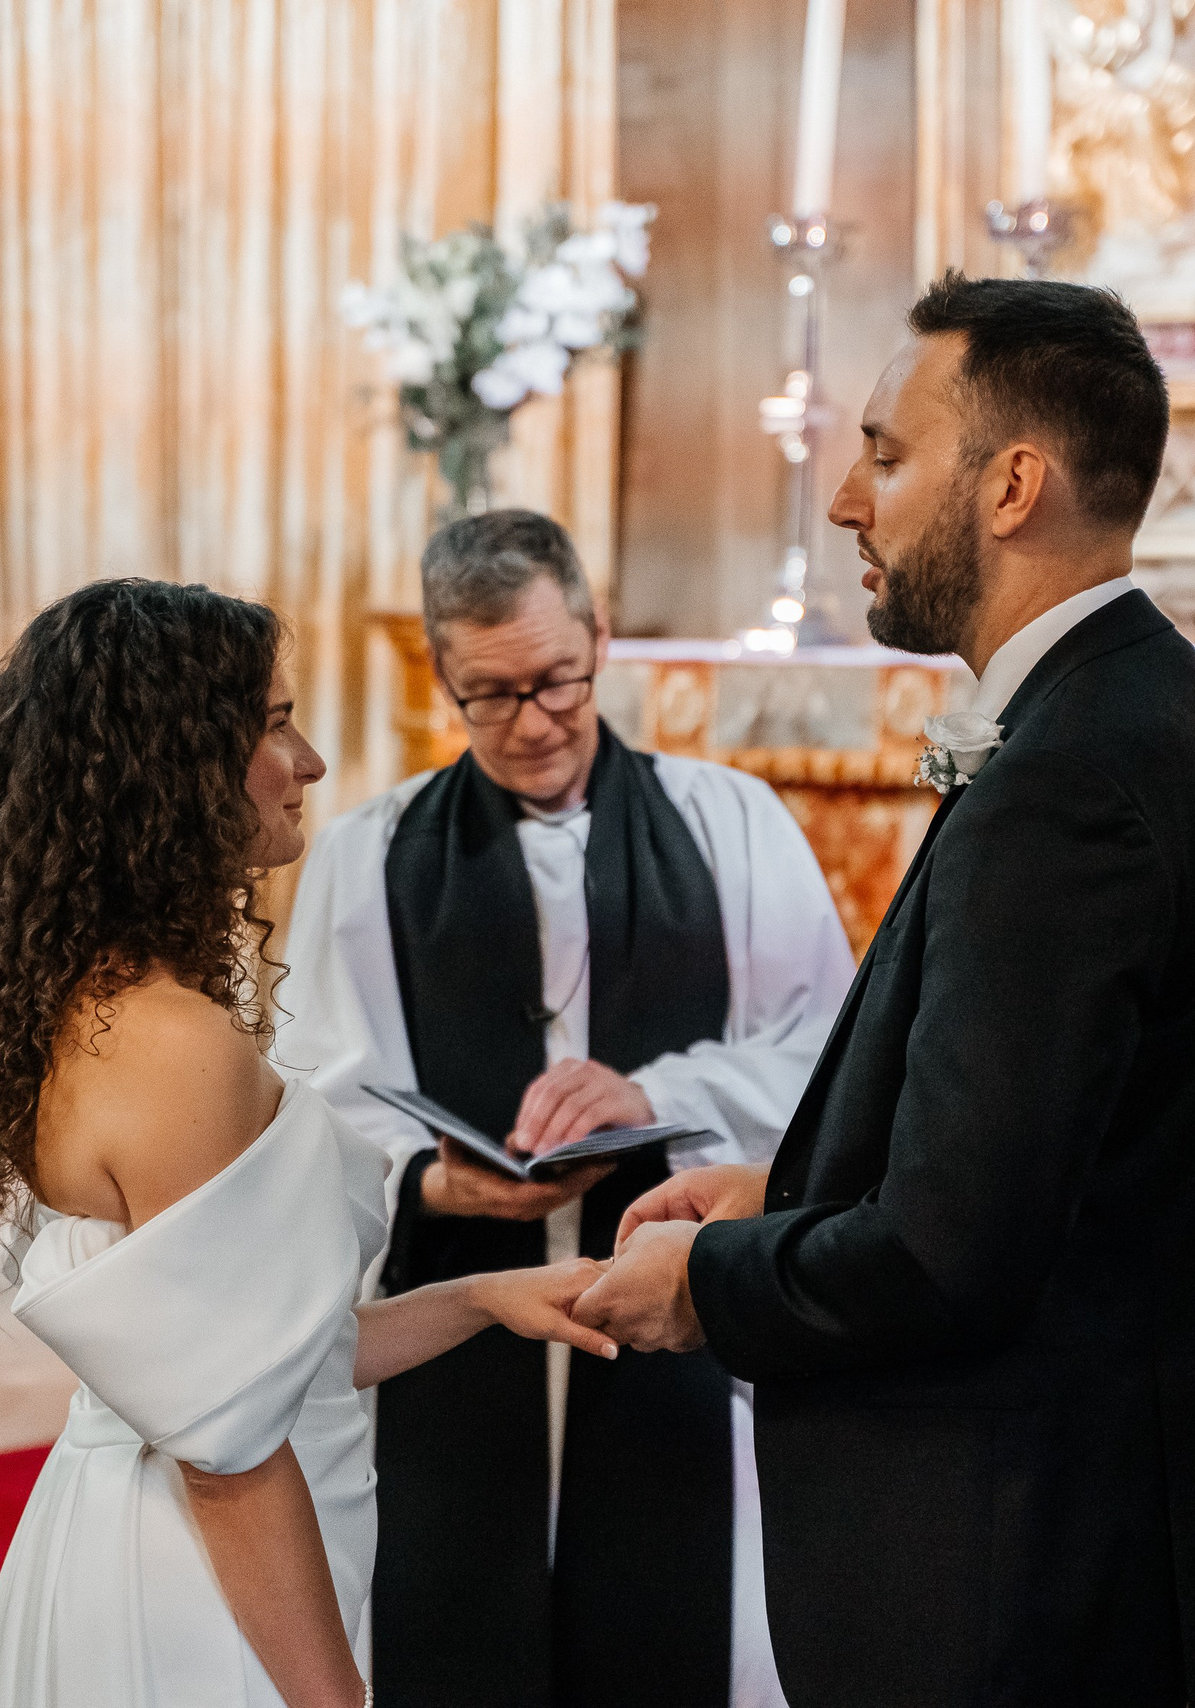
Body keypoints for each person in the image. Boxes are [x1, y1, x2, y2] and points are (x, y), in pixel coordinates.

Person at [574, 276, 1195, 1706]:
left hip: (1015, 1582)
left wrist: (709, 1286)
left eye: (885, 453)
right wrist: (789, 1190)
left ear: (1011, 484)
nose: (844, 503)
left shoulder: (1069, 782)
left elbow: (954, 1253)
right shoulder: (1175, 715)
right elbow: (1085, 1167)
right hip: (1090, 1553)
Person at [0, 579, 621, 1708]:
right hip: (202, 1601)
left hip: (164, 1550)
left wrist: (485, 1296)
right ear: (171, 762)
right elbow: (229, 1455)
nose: (306, 760)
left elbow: (265, 1357)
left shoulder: (96, 1004)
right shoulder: (172, 1046)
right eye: (271, 723)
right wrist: (334, 1700)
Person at [274, 511, 853, 1708]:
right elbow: (313, 1094)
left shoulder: (731, 826)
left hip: (673, 1305)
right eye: (489, 695)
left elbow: (826, 1058)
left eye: (558, 681)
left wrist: (658, 1093)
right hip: (455, 1309)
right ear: (441, 673)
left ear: (600, 634)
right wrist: (429, 1180)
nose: (533, 722)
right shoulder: (366, 857)